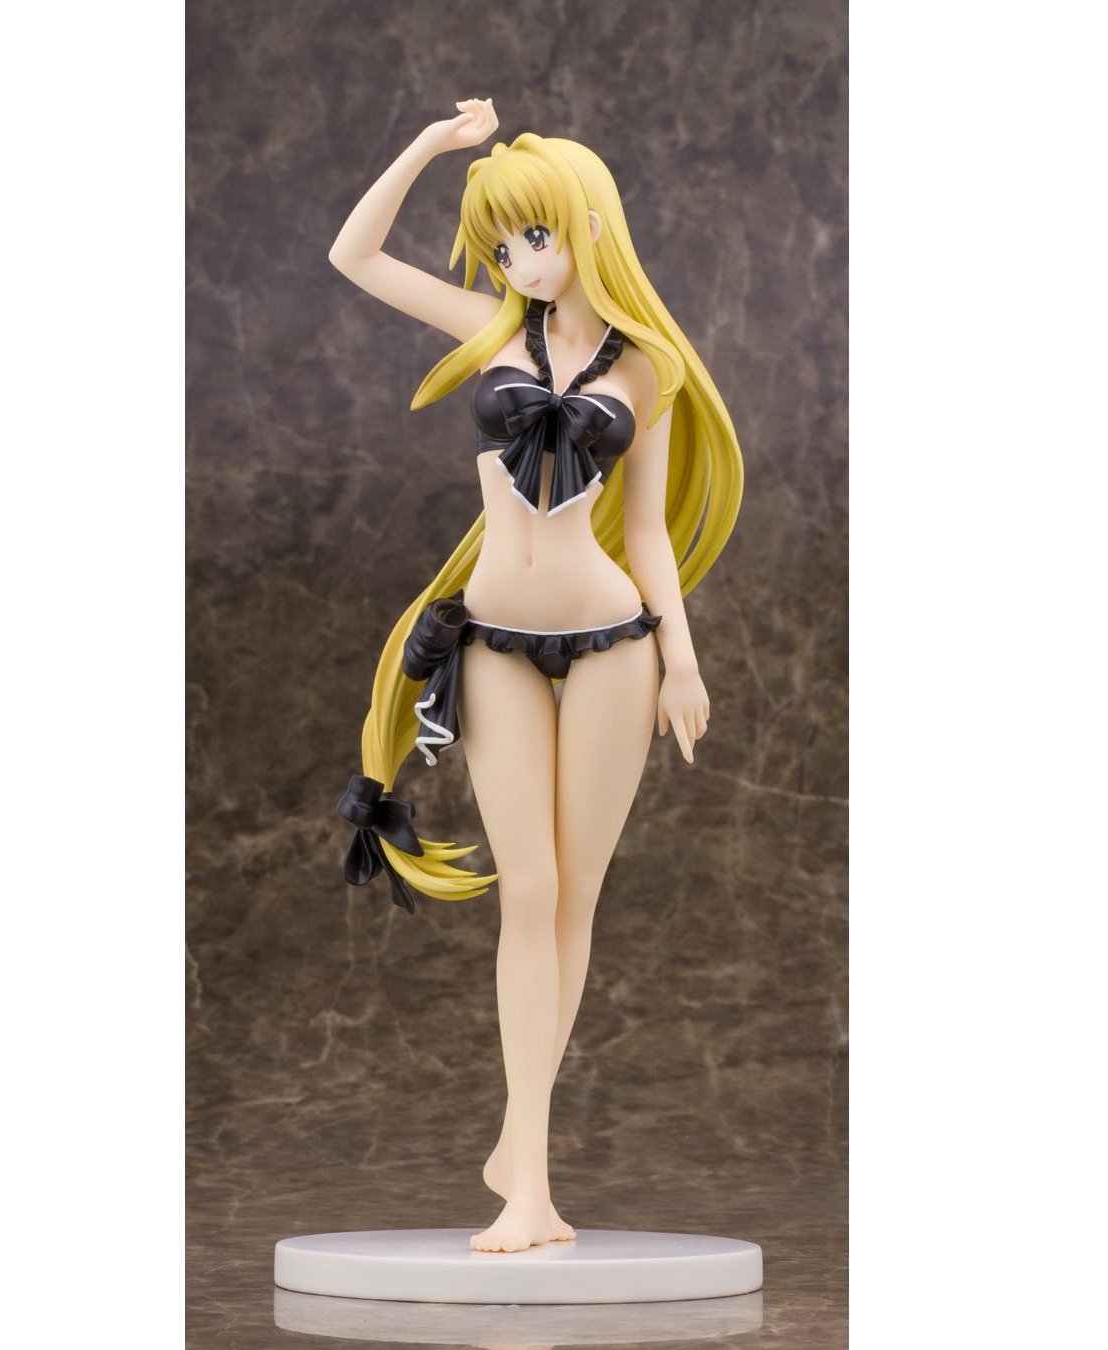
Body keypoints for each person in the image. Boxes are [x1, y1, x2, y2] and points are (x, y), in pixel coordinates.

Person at [329, 98, 743, 1254]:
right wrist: (430, 146)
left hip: (612, 643)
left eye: (534, 237)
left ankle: (531, 1165)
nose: (516, 261)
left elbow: (647, 533)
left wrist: (681, 659)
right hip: (494, 642)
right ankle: (525, 1180)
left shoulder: (649, 369)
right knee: (529, 889)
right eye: (501, 244)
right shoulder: (489, 329)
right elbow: (354, 255)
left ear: (589, 226)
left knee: (575, 897)